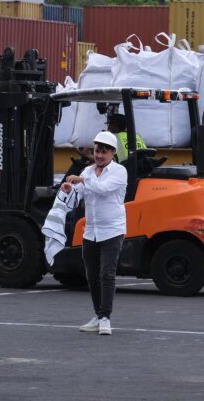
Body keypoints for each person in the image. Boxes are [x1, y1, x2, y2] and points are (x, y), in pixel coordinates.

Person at [62, 131, 129, 336]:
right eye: (97, 151)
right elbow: (79, 194)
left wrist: (81, 180)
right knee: (91, 275)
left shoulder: (119, 171)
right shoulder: (88, 172)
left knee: (106, 274)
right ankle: (98, 316)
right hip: (91, 230)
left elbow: (103, 189)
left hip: (112, 229)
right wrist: (69, 189)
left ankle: (106, 318)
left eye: (104, 152)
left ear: (112, 153)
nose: (99, 155)